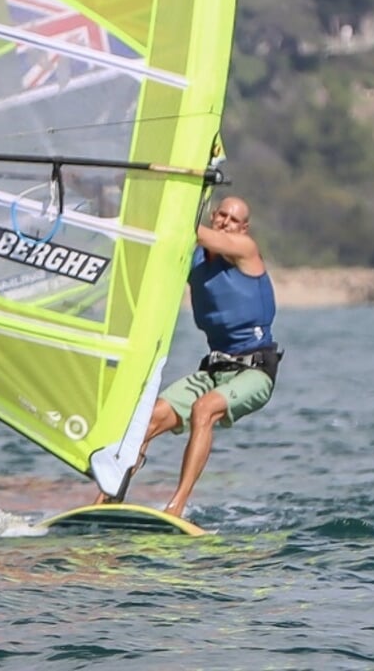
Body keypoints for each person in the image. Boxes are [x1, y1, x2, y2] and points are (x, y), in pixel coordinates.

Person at [97, 196, 281, 517]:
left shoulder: (245, 250)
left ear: (244, 228)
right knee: (146, 421)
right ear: (213, 214)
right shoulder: (193, 259)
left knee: (203, 409)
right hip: (213, 368)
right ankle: (105, 501)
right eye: (221, 214)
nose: (225, 221)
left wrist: (171, 208)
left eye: (234, 219)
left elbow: (199, 234)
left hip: (255, 372)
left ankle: (176, 507)